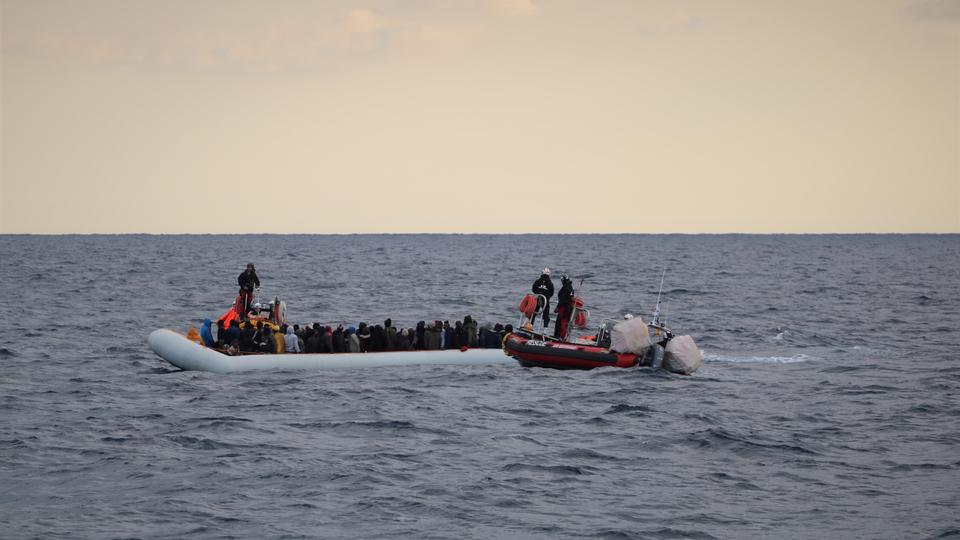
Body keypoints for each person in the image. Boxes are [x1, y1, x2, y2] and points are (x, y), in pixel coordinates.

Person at [554, 274, 574, 340]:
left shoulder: (565, 288)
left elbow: (563, 299)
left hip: (563, 308)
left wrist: (557, 307)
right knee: (565, 322)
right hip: (568, 308)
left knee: (560, 322)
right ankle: (564, 336)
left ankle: (558, 336)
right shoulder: (570, 287)